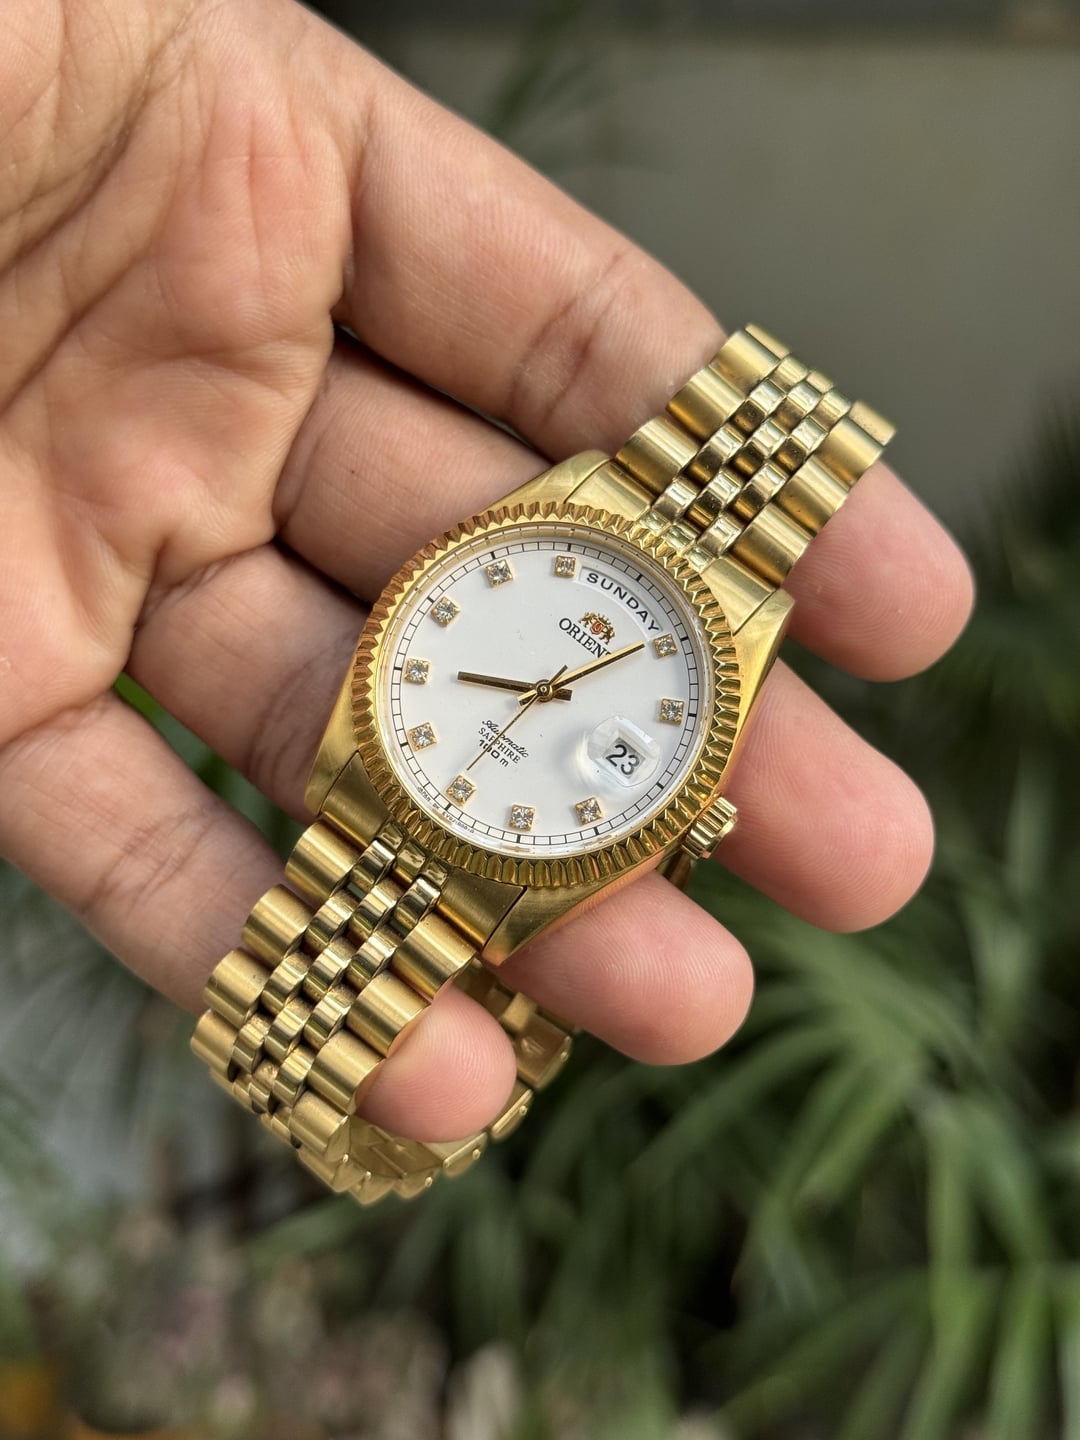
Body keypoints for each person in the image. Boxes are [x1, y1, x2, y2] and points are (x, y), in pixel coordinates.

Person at [0, 0, 972, 1146]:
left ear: (688, 811)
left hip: (488, 801)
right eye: (552, 682)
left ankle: (388, 1100)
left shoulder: (663, 722)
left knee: (448, 1062)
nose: (550, 689)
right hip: (431, 750)